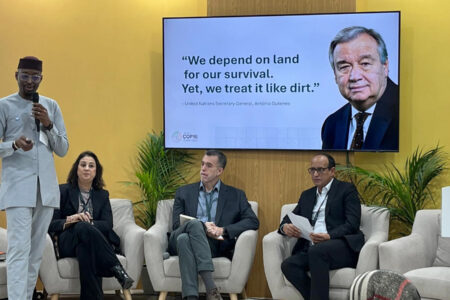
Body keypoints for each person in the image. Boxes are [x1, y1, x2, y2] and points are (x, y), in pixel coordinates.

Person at [0, 56, 69, 300]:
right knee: (19, 250)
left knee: (35, 252)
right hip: (18, 187)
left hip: (46, 189)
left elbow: (63, 149)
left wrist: (49, 125)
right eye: (25, 75)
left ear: (41, 79)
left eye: (35, 76)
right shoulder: (4, 105)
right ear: (16, 75)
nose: (30, 81)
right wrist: (14, 145)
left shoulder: (51, 105)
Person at [168, 150, 259, 300]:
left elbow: (252, 221)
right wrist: (203, 227)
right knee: (194, 226)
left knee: (184, 239)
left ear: (219, 171)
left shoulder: (236, 195)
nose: (203, 168)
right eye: (202, 164)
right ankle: (211, 288)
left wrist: (222, 230)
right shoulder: (183, 192)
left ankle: (190, 297)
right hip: (176, 239)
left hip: (211, 245)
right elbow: (177, 225)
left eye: (209, 165)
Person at [48, 151, 134, 299]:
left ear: (96, 172)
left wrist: (90, 223)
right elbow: (51, 224)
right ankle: (116, 268)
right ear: (77, 169)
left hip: (89, 243)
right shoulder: (62, 191)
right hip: (68, 241)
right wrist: (72, 219)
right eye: (83, 165)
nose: (87, 168)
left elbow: (107, 225)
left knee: (86, 249)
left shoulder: (102, 195)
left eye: (91, 166)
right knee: (81, 226)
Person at [279, 153, 364, 300]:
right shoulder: (307, 195)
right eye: (312, 170)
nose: (315, 174)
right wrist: (284, 227)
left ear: (332, 171)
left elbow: (352, 223)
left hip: (340, 245)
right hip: (313, 247)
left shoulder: (346, 190)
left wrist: (329, 236)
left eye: (320, 170)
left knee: (317, 251)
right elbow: (288, 219)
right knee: (288, 265)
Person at [321, 26, 399, 151]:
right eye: (344, 67)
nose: (354, 76)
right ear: (335, 75)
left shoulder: (406, 111)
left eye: (365, 64)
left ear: (385, 67)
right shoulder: (331, 125)